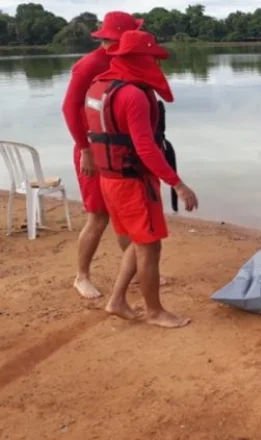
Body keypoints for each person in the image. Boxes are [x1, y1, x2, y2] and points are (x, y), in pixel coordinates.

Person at [84, 30, 198, 328]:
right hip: (133, 184)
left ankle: (117, 300)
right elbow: (146, 149)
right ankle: (155, 312)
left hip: (110, 180)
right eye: (153, 59)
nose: (157, 66)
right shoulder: (133, 95)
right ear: (137, 58)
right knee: (149, 247)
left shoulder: (99, 86)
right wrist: (178, 184)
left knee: (137, 243)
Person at [62, 11, 166, 300]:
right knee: (98, 216)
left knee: (126, 214)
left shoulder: (127, 64)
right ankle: (81, 275)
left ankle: (136, 267)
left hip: (121, 154)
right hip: (93, 151)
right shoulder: (90, 65)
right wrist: (84, 149)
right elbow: (70, 110)